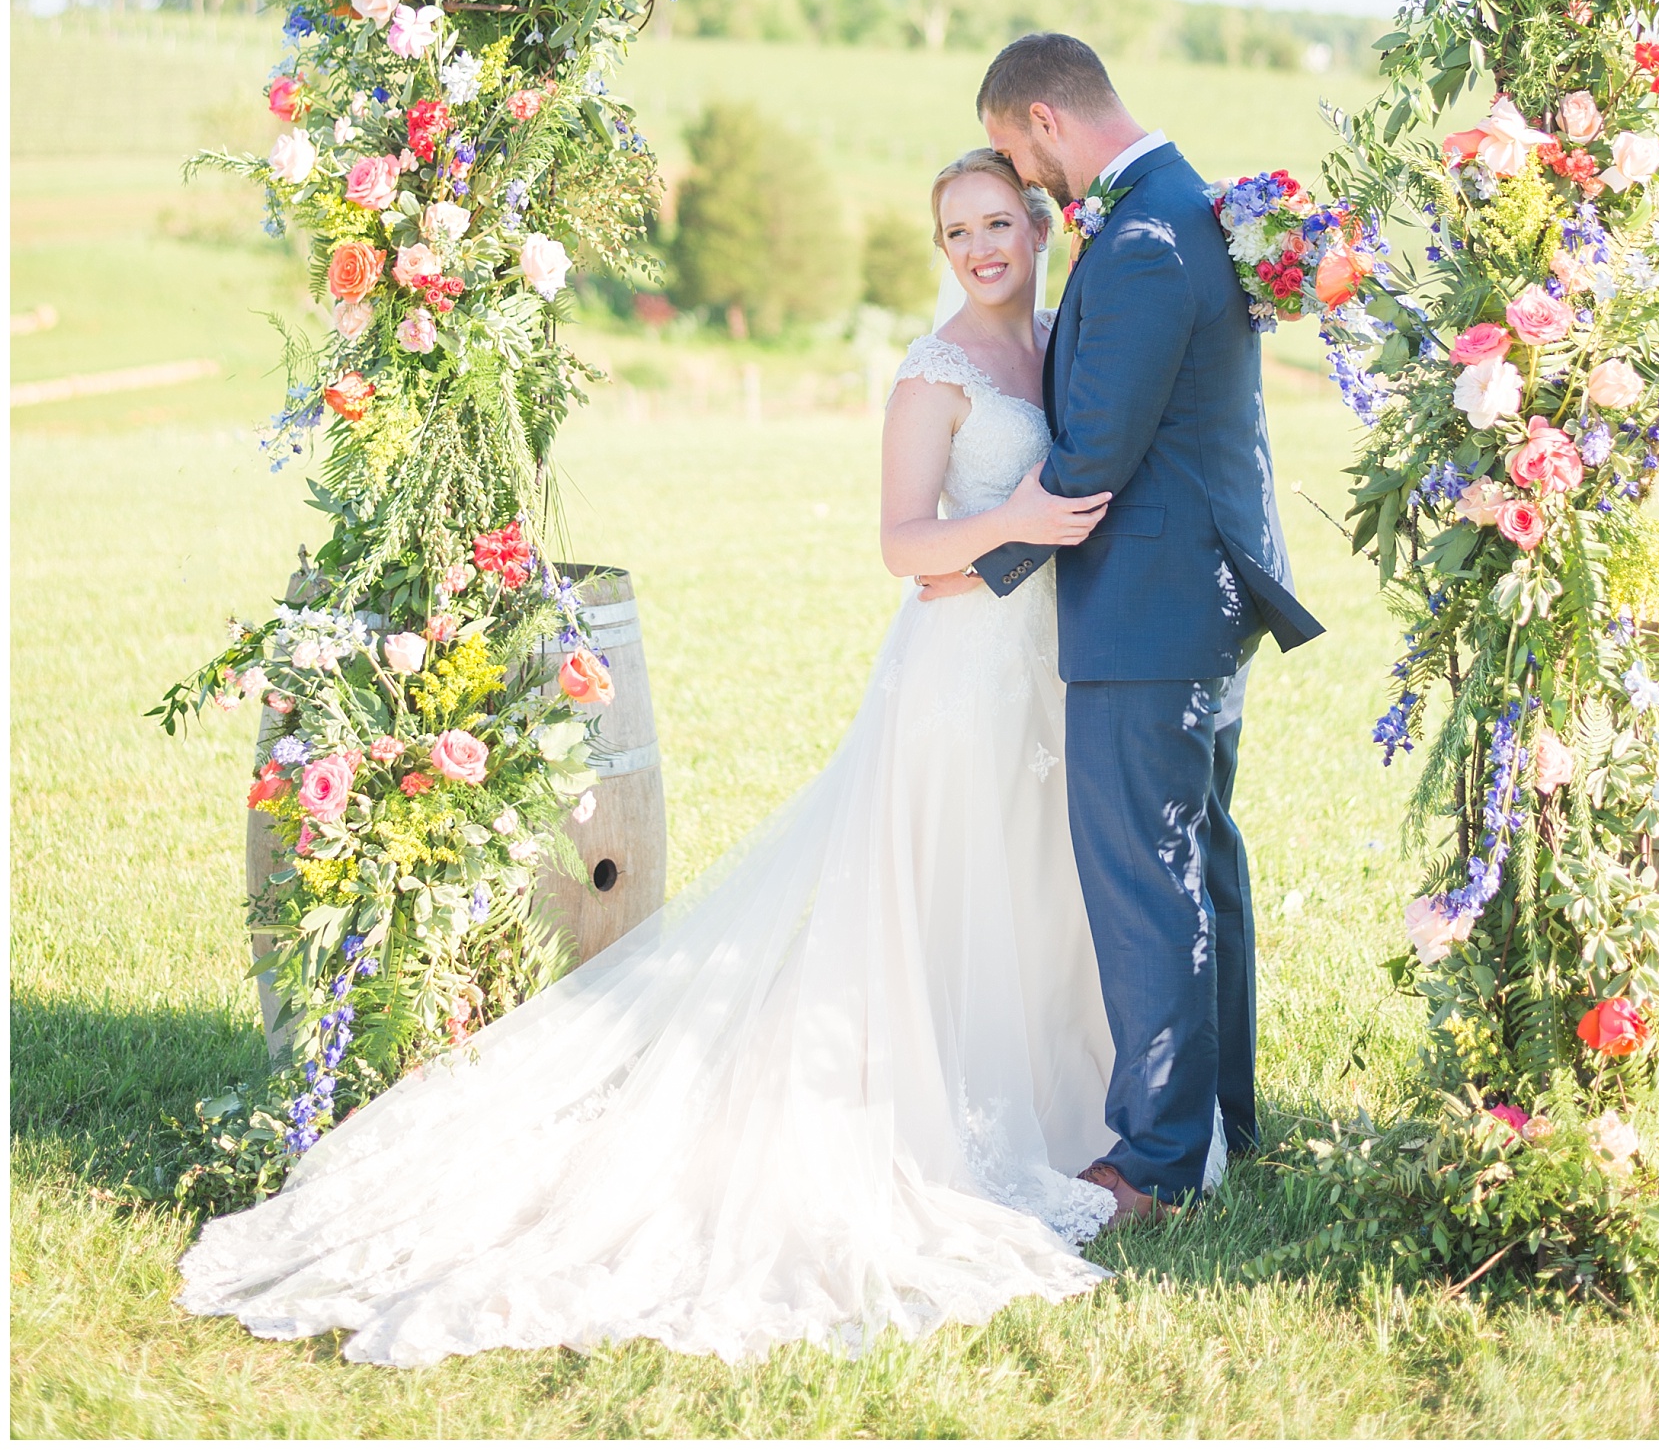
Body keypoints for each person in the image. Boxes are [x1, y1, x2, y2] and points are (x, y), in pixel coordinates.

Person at [178, 150, 1149, 1367]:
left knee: (1034, 886)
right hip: (955, 681)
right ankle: (947, 1119)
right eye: (955, 228)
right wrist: (1008, 521)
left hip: (1043, 671)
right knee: (946, 895)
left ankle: (1072, 1106)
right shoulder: (934, 371)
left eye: (997, 220)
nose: (977, 247)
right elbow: (903, 543)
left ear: (1041, 220)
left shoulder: (1060, 340)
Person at [956, 31, 1325, 1224]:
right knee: (1199, 865)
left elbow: (1096, 451)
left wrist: (978, 561)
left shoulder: (1153, 234)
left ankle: (1160, 1164)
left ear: (1045, 122)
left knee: (1151, 880)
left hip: (1151, 606)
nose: (1030, 184)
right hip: (1187, 603)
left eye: (1019, 154)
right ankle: (1222, 1127)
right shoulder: (1173, 204)